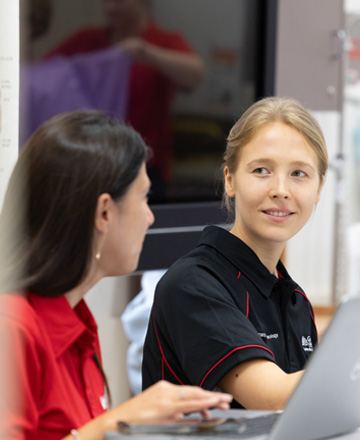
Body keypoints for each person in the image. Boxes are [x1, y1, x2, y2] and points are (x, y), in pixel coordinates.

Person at [0, 110, 232, 440]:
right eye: (143, 198)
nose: (150, 217)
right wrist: (117, 422)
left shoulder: (76, 320)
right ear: (105, 212)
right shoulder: (12, 327)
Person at [142, 96, 328, 411]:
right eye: (261, 170)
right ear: (230, 180)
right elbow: (270, 396)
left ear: (319, 188)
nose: (280, 189)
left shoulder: (295, 299)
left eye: (299, 174)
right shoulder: (193, 284)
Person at [44, 0, 204, 201]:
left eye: (118, 1)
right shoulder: (88, 40)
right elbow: (43, 75)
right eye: (105, 1)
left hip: (144, 167)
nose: (109, 8)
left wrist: (144, 53)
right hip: (88, 166)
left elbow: (195, 75)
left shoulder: (164, 41)